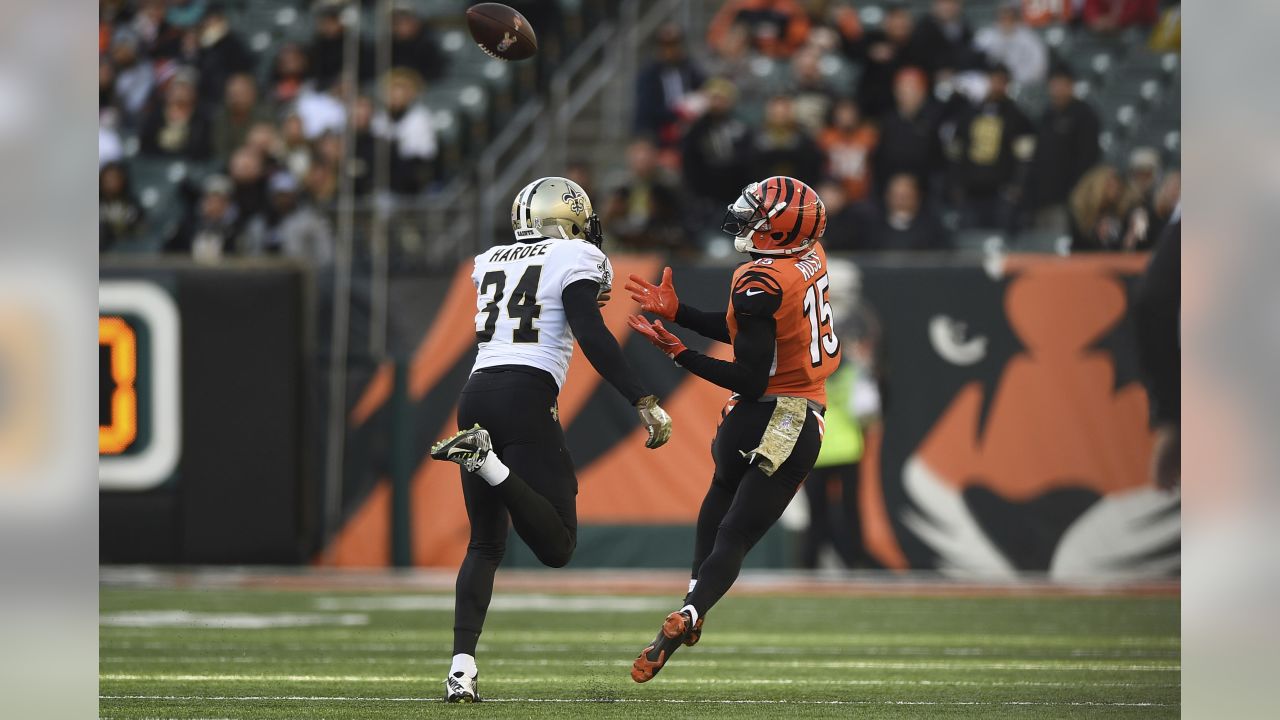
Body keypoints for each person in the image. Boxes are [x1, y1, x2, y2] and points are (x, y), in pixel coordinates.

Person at [429, 177, 674, 704]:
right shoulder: (575, 256)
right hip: (525, 392)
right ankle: (487, 462)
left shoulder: (490, 259)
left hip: (476, 394)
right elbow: (589, 332)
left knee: (484, 544)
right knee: (558, 545)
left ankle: (460, 670)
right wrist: (642, 398)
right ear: (565, 219)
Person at [624, 176, 838, 682]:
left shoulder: (758, 282)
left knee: (719, 501)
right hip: (794, 416)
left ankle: (692, 603)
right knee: (737, 533)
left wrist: (680, 353)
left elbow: (747, 368)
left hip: (749, 413)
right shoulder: (808, 258)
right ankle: (694, 611)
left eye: (757, 213)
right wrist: (680, 317)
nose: (746, 218)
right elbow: (753, 336)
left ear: (781, 231)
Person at [952, 64, 1035, 230]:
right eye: (993, 80)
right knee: (970, 238)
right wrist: (956, 183)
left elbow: (1025, 158)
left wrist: (1017, 186)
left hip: (1002, 192)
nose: (996, 85)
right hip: (971, 190)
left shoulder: (1017, 117)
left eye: (1001, 81)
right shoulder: (970, 113)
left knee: (1000, 238)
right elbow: (956, 151)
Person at [1024, 66, 1101, 233]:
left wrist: (1075, 193)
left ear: (1071, 86)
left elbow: (1087, 159)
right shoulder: (1047, 115)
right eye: (1054, 84)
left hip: (1067, 199)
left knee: (1060, 244)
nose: (1057, 89)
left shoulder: (1084, 115)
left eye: (1061, 84)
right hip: (1042, 198)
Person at [603, 138, 686, 254]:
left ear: (655, 158)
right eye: (638, 159)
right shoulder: (619, 184)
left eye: (646, 158)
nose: (642, 164)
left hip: (658, 241)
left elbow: (678, 216)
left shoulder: (668, 183)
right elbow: (605, 219)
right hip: (624, 240)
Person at [873, 67, 944, 198]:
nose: (906, 94)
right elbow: (879, 159)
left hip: (925, 188)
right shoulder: (887, 121)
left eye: (912, 90)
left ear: (923, 93)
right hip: (891, 187)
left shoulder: (936, 120)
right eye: (902, 90)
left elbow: (938, 162)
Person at [241, 171, 334, 267]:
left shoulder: (311, 221)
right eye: (279, 195)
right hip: (265, 275)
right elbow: (249, 254)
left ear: (295, 195)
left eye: (287, 195)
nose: (283, 199)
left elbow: (324, 254)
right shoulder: (258, 223)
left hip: (302, 276)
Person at [634, 24, 704, 149]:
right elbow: (647, 110)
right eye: (665, 45)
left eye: (674, 44)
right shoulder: (649, 74)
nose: (670, 49)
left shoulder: (690, 69)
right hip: (659, 132)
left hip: (689, 130)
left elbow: (702, 91)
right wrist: (676, 115)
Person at [371, 69, 437, 194]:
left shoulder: (421, 117)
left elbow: (425, 153)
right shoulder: (379, 117)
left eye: (403, 90)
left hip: (411, 175)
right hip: (383, 174)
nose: (397, 95)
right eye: (393, 90)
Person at [975, 2, 1048, 91]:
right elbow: (974, 61)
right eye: (1002, 17)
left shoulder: (1029, 38)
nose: (1006, 21)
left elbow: (1039, 66)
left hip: (1022, 84)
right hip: (991, 84)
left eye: (1009, 18)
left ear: (1016, 19)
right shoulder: (985, 37)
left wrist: (1017, 81)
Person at [753, 95, 825, 186]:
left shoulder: (802, 136)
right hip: (763, 187)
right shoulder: (757, 136)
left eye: (783, 113)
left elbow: (812, 163)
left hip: (797, 186)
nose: (780, 117)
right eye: (776, 113)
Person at [818, 98, 879, 204]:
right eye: (842, 113)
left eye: (850, 113)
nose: (846, 117)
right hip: (834, 194)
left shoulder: (868, 135)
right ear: (835, 115)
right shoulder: (826, 137)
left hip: (863, 194)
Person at [707, 0, 811, 59]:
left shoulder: (790, 9)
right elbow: (716, 36)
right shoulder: (741, 6)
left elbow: (801, 39)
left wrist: (779, 51)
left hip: (781, 61)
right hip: (743, 60)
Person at [1068, 165, 1139, 251]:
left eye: (1117, 184)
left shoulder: (1124, 211)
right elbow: (1078, 245)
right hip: (1085, 258)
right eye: (1110, 185)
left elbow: (1126, 246)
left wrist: (1131, 234)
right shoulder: (1080, 213)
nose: (1116, 189)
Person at [870, 173, 950, 250]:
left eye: (906, 196)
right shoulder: (874, 230)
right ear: (887, 197)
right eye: (897, 196)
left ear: (917, 198)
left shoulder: (932, 230)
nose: (901, 201)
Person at [211, 74, 272, 163]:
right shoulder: (221, 118)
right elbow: (219, 149)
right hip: (229, 165)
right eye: (233, 94)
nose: (236, 98)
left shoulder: (265, 114)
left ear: (252, 94)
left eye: (241, 93)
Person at [390, 1, 447, 83]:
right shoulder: (387, 46)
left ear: (416, 22)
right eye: (396, 23)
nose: (401, 27)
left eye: (405, 21)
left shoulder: (430, 45)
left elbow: (436, 75)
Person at [99, 162, 145, 251]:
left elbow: (140, 230)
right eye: (108, 179)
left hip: (126, 253)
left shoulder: (132, 204)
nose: (111, 183)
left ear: (122, 180)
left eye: (114, 178)